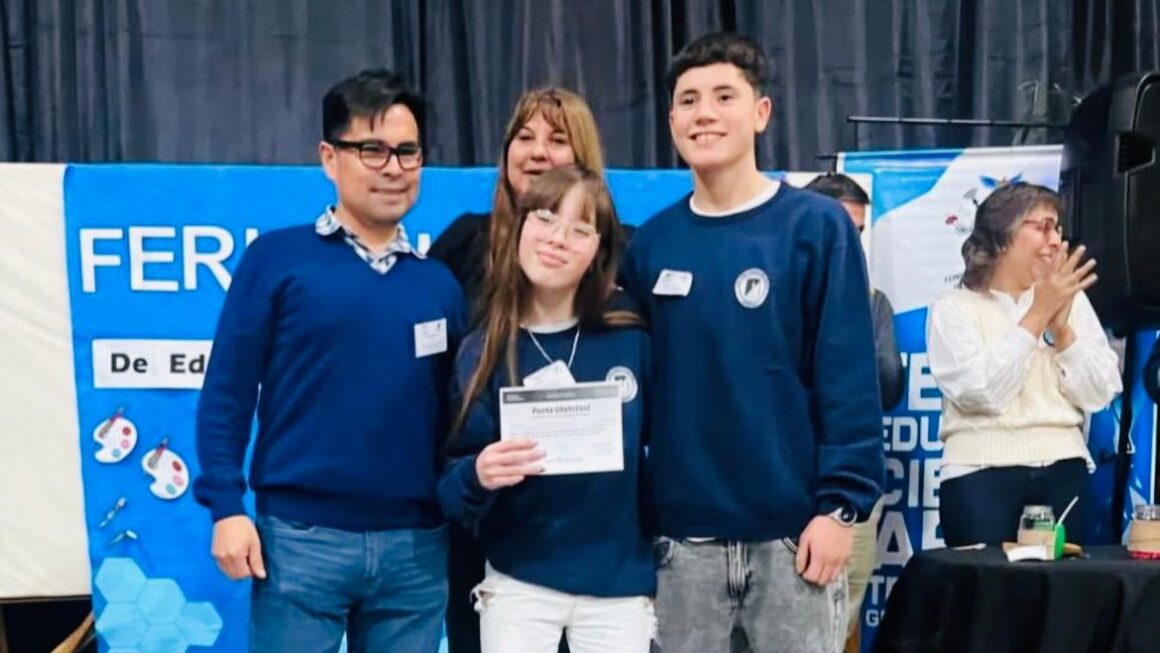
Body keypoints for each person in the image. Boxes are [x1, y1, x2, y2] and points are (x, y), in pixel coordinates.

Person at [620, 33, 884, 653]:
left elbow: (848, 378)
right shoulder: (652, 244)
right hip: (681, 546)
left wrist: (841, 509)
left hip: (795, 539)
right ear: (671, 121)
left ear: (760, 113)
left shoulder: (814, 228)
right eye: (688, 100)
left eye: (722, 96)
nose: (703, 113)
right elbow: (634, 394)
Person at [194, 69, 465, 653]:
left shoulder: (439, 284)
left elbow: (458, 416)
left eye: (407, 151)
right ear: (329, 157)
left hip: (415, 549)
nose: (393, 167)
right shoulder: (276, 260)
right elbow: (227, 394)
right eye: (372, 149)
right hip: (299, 543)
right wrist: (225, 507)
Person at [427, 87, 619, 653]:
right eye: (525, 137)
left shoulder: (619, 254)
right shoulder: (464, 243)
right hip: (485, 520)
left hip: (593, 532)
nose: (537, 152)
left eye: (557, 140)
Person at [927, 182, 1121, 547]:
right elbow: (981, 394)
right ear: (1001, 237)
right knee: (985, 597)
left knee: (1061, 597)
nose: (1055, 240)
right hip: (978, 475)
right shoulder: (954, 308)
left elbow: (1100, 392)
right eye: (1042, 226)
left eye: (1058, 227)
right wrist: (1036, 317)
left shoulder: (1069, 301)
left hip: (1064, 466)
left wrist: (1063, 333)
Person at [803, 172, 903, 648]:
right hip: (783, 488)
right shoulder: (772, 293)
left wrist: (848, 311)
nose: (850, 243)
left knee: (842, 617)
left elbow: (887, 388)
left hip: (851, 489)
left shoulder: (871, 302)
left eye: (858, 233)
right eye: (841, 228)